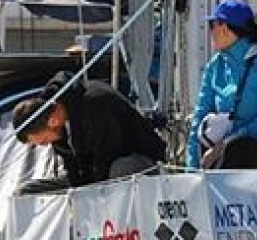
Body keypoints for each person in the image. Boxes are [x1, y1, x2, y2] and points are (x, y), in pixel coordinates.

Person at [12, 70, 165, 193]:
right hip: (94, 176)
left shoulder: (95, 101)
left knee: (120, 169)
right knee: (26, 191)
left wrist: (88, 196)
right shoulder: (58, 130)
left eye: (43, 141)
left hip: (134, 163)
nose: (45, 145)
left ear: (52, 121)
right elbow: (73, 170)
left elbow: (107, 155)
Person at [187, 0, 257, 169]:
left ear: (224, 28)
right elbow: (199, 117)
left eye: (212, 26)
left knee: (236, 151)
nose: (210, 33)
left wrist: (226, 142)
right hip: (225, 154)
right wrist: (192, 171)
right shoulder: (215, 65)